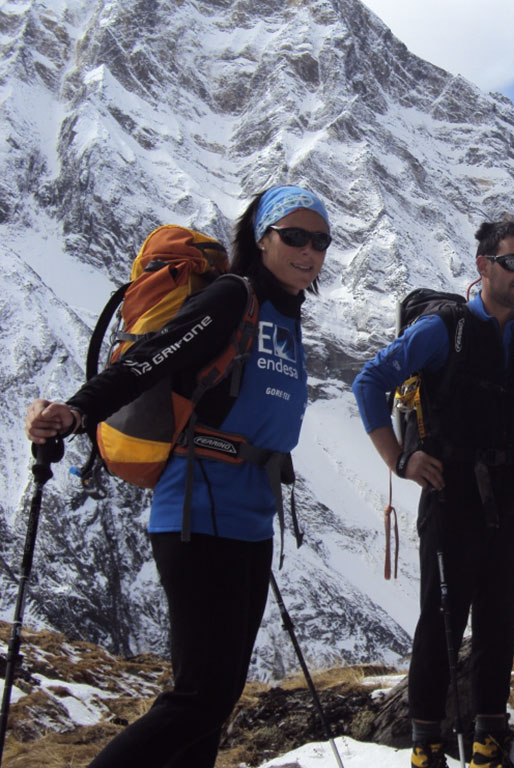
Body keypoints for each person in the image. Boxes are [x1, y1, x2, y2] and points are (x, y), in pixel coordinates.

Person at [24, 185, 331, 767]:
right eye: (294, 235)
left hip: (250, 519)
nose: (308, 250)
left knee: (215, 700)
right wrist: (78, 411)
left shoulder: (287, 317)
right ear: (262, 238)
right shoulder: (230, 299)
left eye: (320, 240)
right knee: (199, 695)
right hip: (198, 509)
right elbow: (147, 359)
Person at [352, 219, 514, 768]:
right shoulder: (442, 330)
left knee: (499, 619)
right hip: (450, 495)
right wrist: (401, 459)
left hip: (510, 499)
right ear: (483, 266)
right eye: (513, 262)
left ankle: (489, 732)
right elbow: (370, 383)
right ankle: (426, 740)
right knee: (443, 619)